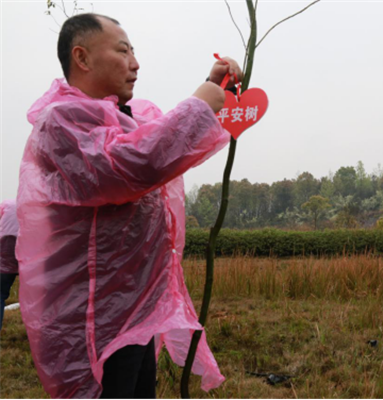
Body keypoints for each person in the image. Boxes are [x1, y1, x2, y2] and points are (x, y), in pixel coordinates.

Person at [16, 13, 243, 398]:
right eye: (123, 51)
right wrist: (199, 104)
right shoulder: (62, 120)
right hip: (94, 317)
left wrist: (209, 86)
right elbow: (128, 165)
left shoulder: (124, 119)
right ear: (82, 58)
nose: (135, 63)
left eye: (134, 51)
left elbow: (157, 141)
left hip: (135, 309)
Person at [0, 199, 19, 330]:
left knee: (0, 294)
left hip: (4, 253)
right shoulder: (34, 206)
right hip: (30, 254)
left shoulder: (5, 205)